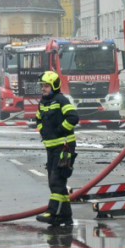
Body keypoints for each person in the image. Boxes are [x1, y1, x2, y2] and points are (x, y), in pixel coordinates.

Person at [34, 70, 79, 226]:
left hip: (64, 148)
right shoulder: (43, 102)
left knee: (56, 181)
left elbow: (73, 117)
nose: (43, 89)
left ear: (54, 85)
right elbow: (38, 118)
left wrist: (60, 130)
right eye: (42, 86)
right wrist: (42, 130)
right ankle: (65, 216)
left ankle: (53, 213)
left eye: (46, 86)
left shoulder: (61, 100)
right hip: (51, 148)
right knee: (55, 181)